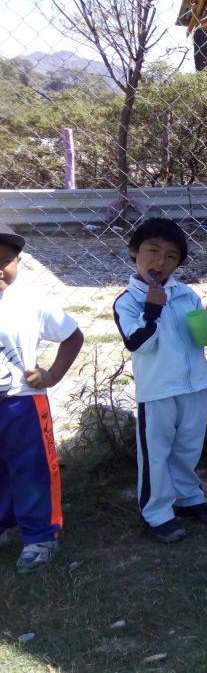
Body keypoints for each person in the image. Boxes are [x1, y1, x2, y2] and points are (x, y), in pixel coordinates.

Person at [112, 218, 207, 544]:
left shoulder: (185, 294)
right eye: (153, 251)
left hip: (194, 385)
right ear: (135, 252)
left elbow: (201, 337)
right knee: (156, 452)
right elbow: (138, 343)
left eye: (171, 256)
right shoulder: (128, 301)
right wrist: (152, 310)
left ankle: (188, 498)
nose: (160, 262)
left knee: (188, 446)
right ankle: (156, 513)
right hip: (158, 391)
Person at [0, 230, 84, 573]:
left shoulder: (29, 302)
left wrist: (51, 376)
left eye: (5, 261)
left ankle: (39, 536)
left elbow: (72, 336)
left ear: (18, 263)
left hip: (23, 404)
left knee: (32, 470)